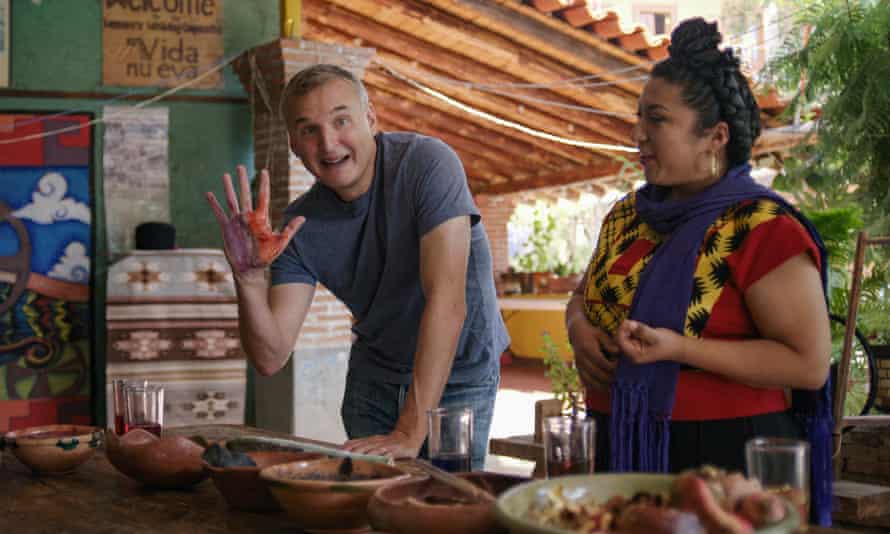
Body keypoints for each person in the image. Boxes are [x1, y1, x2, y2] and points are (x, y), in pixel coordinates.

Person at [565, 18, 833, 525]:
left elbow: (808, 363)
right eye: (639, 117)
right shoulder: (629, 215)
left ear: (715, 137)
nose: (638, 133)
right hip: (619, 443)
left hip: (722, 458)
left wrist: (680, 348)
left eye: (657, 119)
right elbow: (584, 295)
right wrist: (578, 328)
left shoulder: (761, 227)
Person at [205, 64, 508, 470]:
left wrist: (410, 430)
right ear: (294, 144)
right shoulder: (300, 225)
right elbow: (271, 355)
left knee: (446, 508)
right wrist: (247, 278)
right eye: (309, 129)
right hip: (373, 381)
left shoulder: (426, 164)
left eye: (341, 120)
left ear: (370, 118)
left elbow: (448, 301)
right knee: (367, 512)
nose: (329, 144)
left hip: (459, 376)